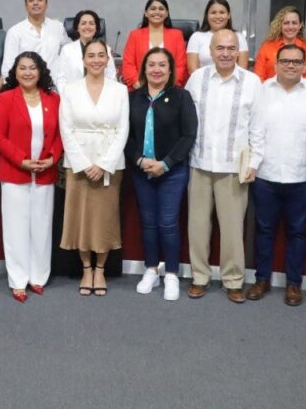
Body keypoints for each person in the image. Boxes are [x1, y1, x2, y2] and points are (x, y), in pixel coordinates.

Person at [246, 44, 306, 306]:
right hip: (266, 174)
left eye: (296, 61)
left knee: (297, 233)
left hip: (303, 175)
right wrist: (254, 163)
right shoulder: (263, 90)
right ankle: (261, 280)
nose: (290, 65)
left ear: (305, 65)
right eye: (285, 61)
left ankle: (294, 284)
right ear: (276, 64)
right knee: (264, 231)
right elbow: (255, 130)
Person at [185, 29, 264, 302]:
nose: (226, 53)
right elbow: (187, 121)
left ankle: (233, 280)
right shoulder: (197, 79)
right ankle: (199, 277)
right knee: (197, 227)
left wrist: (255, 161)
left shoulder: (252, 82)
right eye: (220, 48)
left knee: (232, 229)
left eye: (231, 48)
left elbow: (258, 127)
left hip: (234, 167)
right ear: (210, 51)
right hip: (199, 163)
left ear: (239, 51)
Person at [0, 52, 63, 303]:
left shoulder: (53, 99)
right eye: (22, 68)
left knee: (42, 226)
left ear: (41, 71)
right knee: (16, 227)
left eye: (33, 68)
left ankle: (38, 277)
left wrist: (52, 157)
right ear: (15, 72)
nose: (28, 72)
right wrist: (21, 160)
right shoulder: (6, 98)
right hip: (15, 172)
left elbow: (60, 134)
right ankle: (18, 279)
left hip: (45, 171)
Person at [126, 48, 197, 301]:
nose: (156, 69)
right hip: (141, 170)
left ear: (170, 69)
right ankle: (151, 270)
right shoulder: (132, 98)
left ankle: (172, 274)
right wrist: (139, 160)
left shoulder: (181, 96)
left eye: (162, 65)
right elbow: (125, 135)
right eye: (151, 65)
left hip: (172, 171)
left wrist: (165, 164)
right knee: (148, 222)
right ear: (144, 69)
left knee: (168, 223)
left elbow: (189, 135)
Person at [59, 39, 129, 297]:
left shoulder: (119, 90)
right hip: (78, 163)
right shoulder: (70, 90)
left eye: (101, 55)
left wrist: (103, 164)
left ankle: (100, 269)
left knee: (104, 218)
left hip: (110, 164)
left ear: (108, 59)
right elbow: (65, 128)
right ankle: (86, 268)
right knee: (80, 218)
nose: (96, 60)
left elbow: (123, 129)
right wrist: (84, 164)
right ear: (83, 60)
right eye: (91, 55)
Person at [120, 0, 188, 90]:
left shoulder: (177, 35)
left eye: (161, 9)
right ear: (146, 13)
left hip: (170, 90)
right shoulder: (135, 35)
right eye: (153, 9)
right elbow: (128, 65)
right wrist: (139, 86)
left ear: (166, 13)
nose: (157, 12)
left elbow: (181, 66)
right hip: (140, 89)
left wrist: (168, 87)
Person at [0, 0, 67, 79]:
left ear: (46, 4)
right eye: (31, 0)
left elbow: (69, 54)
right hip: (26, 84)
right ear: (26, 6)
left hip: (54, 84)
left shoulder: (58, 27)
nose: (35, 3)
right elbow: (8, 66)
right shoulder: (14, 32)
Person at [252, 5, 306, 83]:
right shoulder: (266, 47)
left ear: (300, 25)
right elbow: (258, 78)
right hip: (269, 90)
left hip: (299, 90)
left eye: (294, 23)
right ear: (280, 25)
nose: (290, 27)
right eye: (286, 23)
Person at [53, 9, 117, 87]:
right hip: (73, 93)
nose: (87, 27)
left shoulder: (106, 49)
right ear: (77, 28)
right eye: (83, 23)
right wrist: (68, 94)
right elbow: (61, 78)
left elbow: (111, 76)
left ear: (96, 28)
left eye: (91, 23)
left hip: (101, 93)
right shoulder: (67, 50)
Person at [186, 0, 249, 75]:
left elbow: (242, 70)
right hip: (203, 81)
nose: (218, 16)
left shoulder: (239, 37)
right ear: (207, 15)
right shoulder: (196, 37)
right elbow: (193, 70)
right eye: (213, 13)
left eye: (222, 12)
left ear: (229, 15)